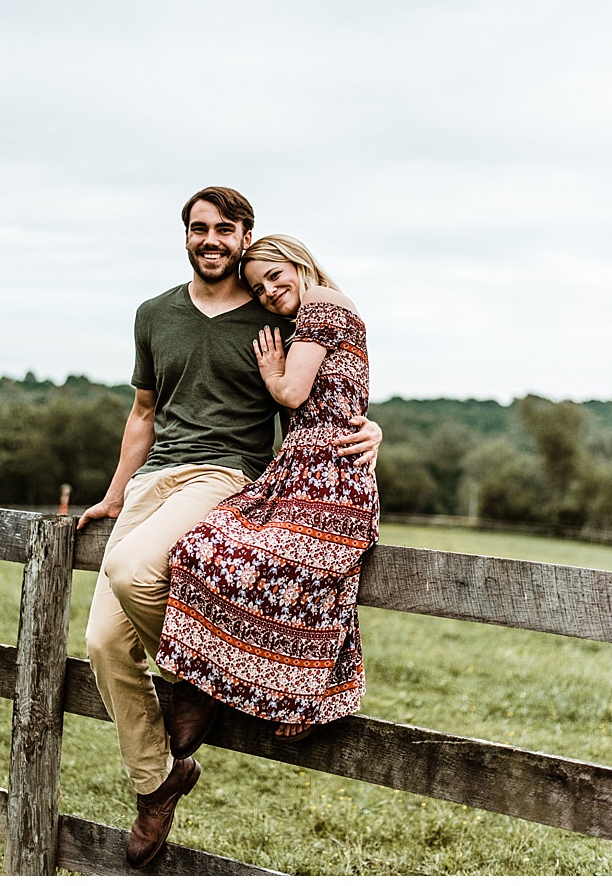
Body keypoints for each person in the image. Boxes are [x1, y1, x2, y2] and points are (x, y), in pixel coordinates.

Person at [79, 188, 382, 869]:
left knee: (134, 573)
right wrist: (113, 491)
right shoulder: (153, 313)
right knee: (101, 642)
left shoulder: (277, 308)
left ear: (246, 236)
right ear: (185, 236)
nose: (210, 239)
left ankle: (206, 672)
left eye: (224, 230)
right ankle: (158, 781)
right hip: (153, 480)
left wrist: (371, 430)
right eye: (198, 228)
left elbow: (329, 381)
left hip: (224, 476)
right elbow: (143, 412)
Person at [155, 233, 379, 751]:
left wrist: (273, 371)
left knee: (295, 567)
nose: (269, 293)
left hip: (332, 475)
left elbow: (292, 393)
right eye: (258, 289)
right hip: (298, 467)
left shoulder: (325, 304)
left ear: (300, 265)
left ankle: (299, 694)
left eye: (276, 277)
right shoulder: (309, 322)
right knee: (201, 544)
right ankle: (208, 676)